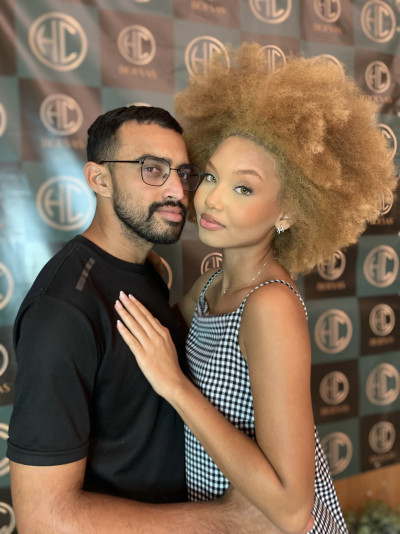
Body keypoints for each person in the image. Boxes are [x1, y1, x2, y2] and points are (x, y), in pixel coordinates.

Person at [113, 44, 398, 534]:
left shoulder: (270, 305)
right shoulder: (210, 286)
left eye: (243, 188)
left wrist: (176, 387)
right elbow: (157, 333)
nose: (212, 199)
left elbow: (291, 509)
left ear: (288, 210)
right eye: (210, 176)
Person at [7, 105, 283, 533]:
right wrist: (229, 520)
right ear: (99, 179)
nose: (177, 190)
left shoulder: (146, 270)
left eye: (184, 173)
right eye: (152, 169)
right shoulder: (61, 312)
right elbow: (43, 520)